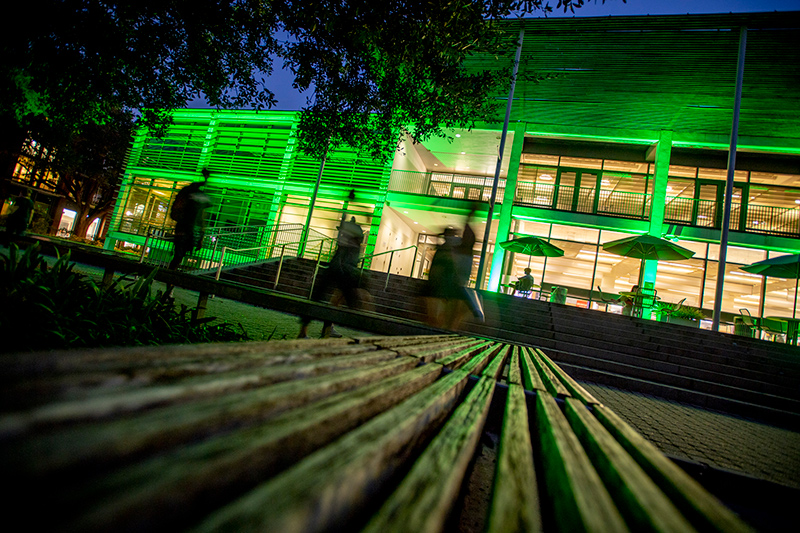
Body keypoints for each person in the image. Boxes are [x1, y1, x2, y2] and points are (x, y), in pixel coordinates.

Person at [298, 213, 367, 338]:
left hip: (336, 269)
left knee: (321, 298)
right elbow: (349, 259)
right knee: (335, 302)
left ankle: (312, 330)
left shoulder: (345, 242)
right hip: (342, 272)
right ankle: (324, 329)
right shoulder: (352, 244)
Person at [421, 205, 483, 330]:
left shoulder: (455, 249)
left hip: (449, 283)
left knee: (452, 307)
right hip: (446, 283)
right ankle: (444, 324)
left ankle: (445, 325)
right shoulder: (450, 249)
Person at [169, 169, 211, 271]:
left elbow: (200, 218)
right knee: (179, 254)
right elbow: (201, 218)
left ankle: (171, 273)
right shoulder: (194, 198)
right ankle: (170, 274)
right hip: (187, 228)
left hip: (186, 228)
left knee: (179, 254)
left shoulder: (190, 196)